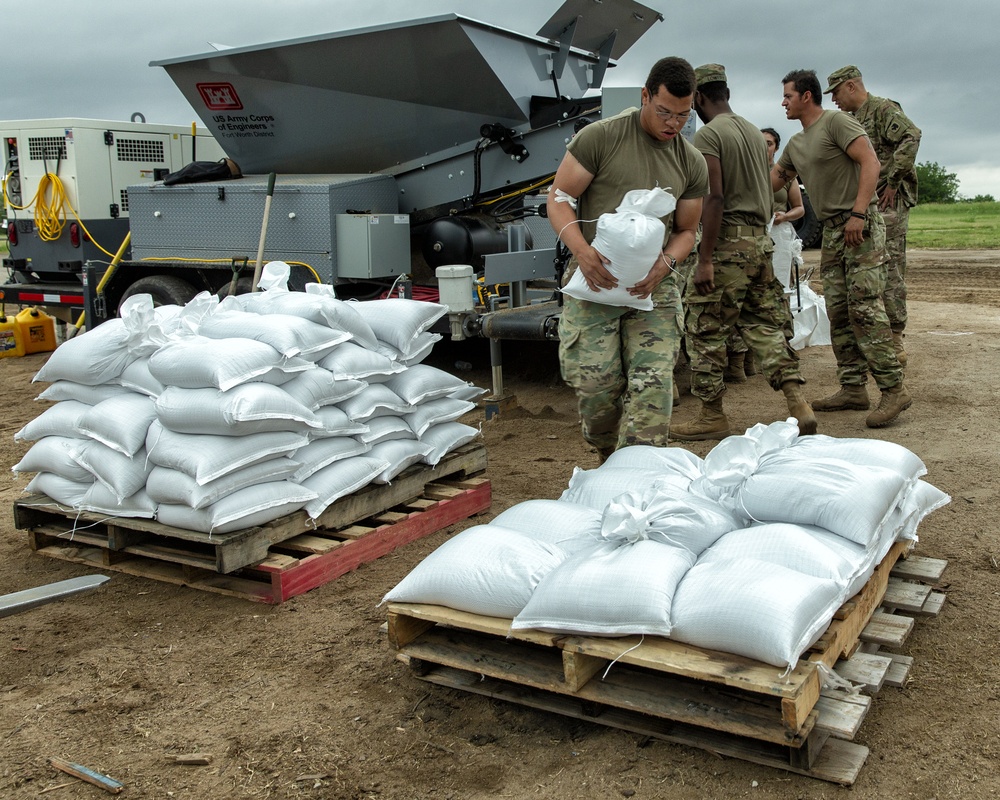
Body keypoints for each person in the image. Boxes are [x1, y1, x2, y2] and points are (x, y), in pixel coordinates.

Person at [547, 56, 709, 459]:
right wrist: (582, 252)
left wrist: (665, 266)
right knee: (596, 385)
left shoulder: (691, 160)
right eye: (664, 112)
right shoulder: (601, 138)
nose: (673, 124)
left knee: (653, 384)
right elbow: (559, 198)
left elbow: (688, 230)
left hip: (653, 287)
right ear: (645, 96)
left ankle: (640, 470)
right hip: (594, 278)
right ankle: (606, 454)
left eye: (684, 116)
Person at [669, 64, 816, 441]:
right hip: (759, 243)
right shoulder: (753, 131)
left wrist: (704, 259)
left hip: (726, 245)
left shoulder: (709, 135)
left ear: (699, 97)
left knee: (705, 329)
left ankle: (711, 415)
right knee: (764, 326)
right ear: (726, 92)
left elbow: (713, 197)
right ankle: (798, 402)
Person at [772, 69, 910, 428]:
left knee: (865, 307)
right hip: (833, 233)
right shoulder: (796, 143)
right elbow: (774, 179)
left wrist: (860, 214)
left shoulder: (836, 123)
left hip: (858, 226)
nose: (783, 102)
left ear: (806, 96)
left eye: (787, 95)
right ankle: (853, 388)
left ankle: (894, 389)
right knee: (839, 311)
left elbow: (872, 162)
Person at [825, 65, 921, 366]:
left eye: (837, 92)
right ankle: (873, 339)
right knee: (869, 269)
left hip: (890, 202)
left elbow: (912, 136)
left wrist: (893, 179)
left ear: (852, 86)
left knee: (889, 267)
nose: (835, 100)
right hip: (869, 202)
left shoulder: (882, 109)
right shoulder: (852, 120)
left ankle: (894, 338)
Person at [724, 127, 804, 382]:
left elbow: (800, 209)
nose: (764, 146)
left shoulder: (786, 175)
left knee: (778, 293)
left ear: (776, 147)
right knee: (743, 294)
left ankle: (774, 353)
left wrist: (785, 216)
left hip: (778, 236)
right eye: (760, 142)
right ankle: (739, 360)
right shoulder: (746, 172)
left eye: (769, 143)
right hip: (750, 236)